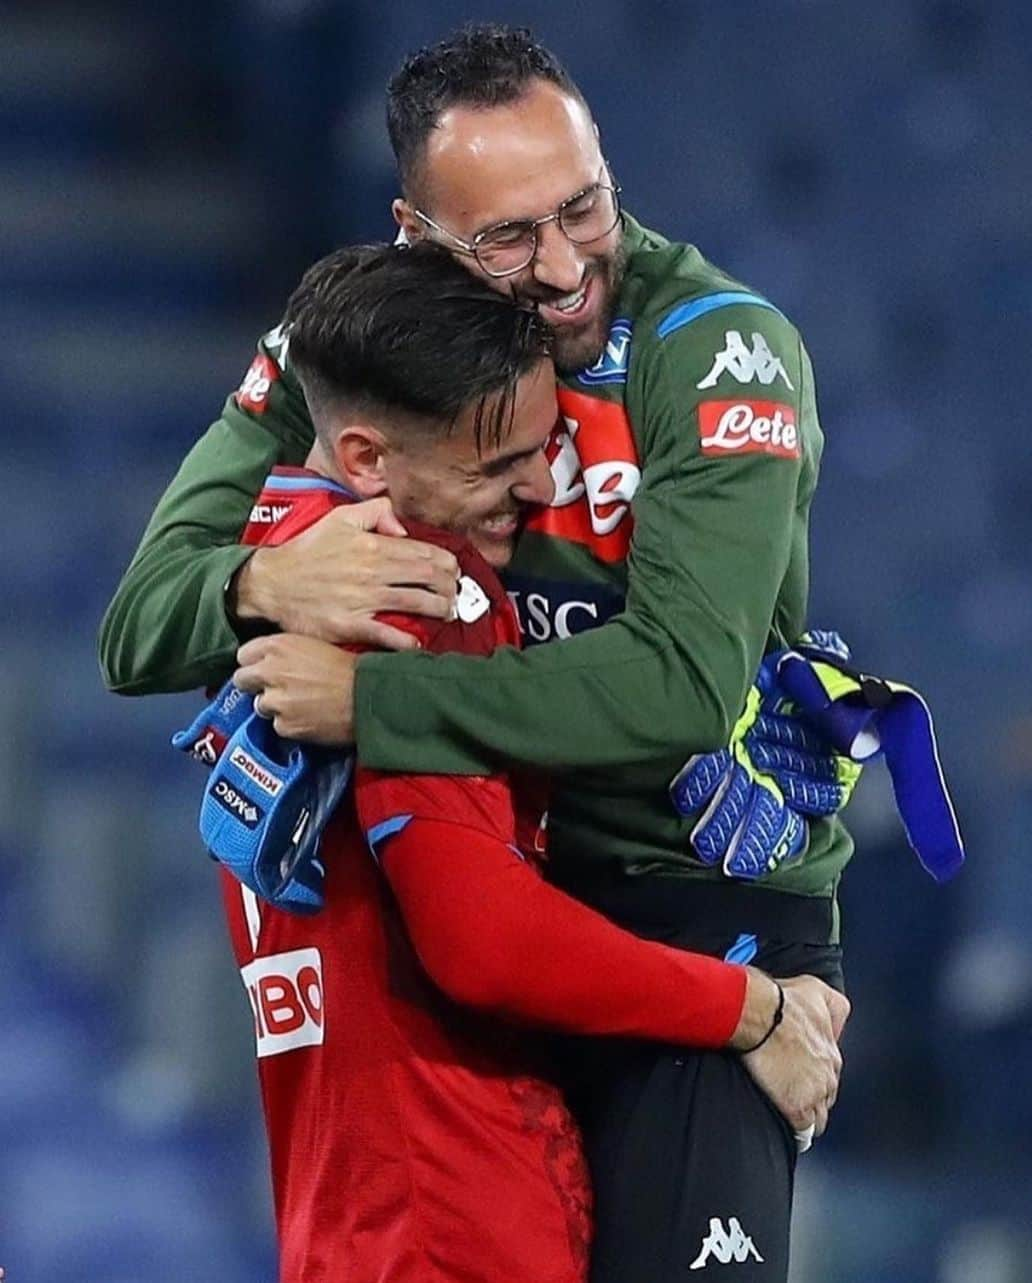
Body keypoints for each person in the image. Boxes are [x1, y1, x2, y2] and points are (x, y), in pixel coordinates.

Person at [100, 25, 853, 1283]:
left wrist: (379, 698)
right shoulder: (352, 345)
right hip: (486, 897)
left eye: (584, 206)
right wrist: (258, 578)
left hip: (691, 899)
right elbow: (139, 625)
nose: (562, 267)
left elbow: (679, 685)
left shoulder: (716, 347)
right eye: (507, 237)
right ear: (414, 230)